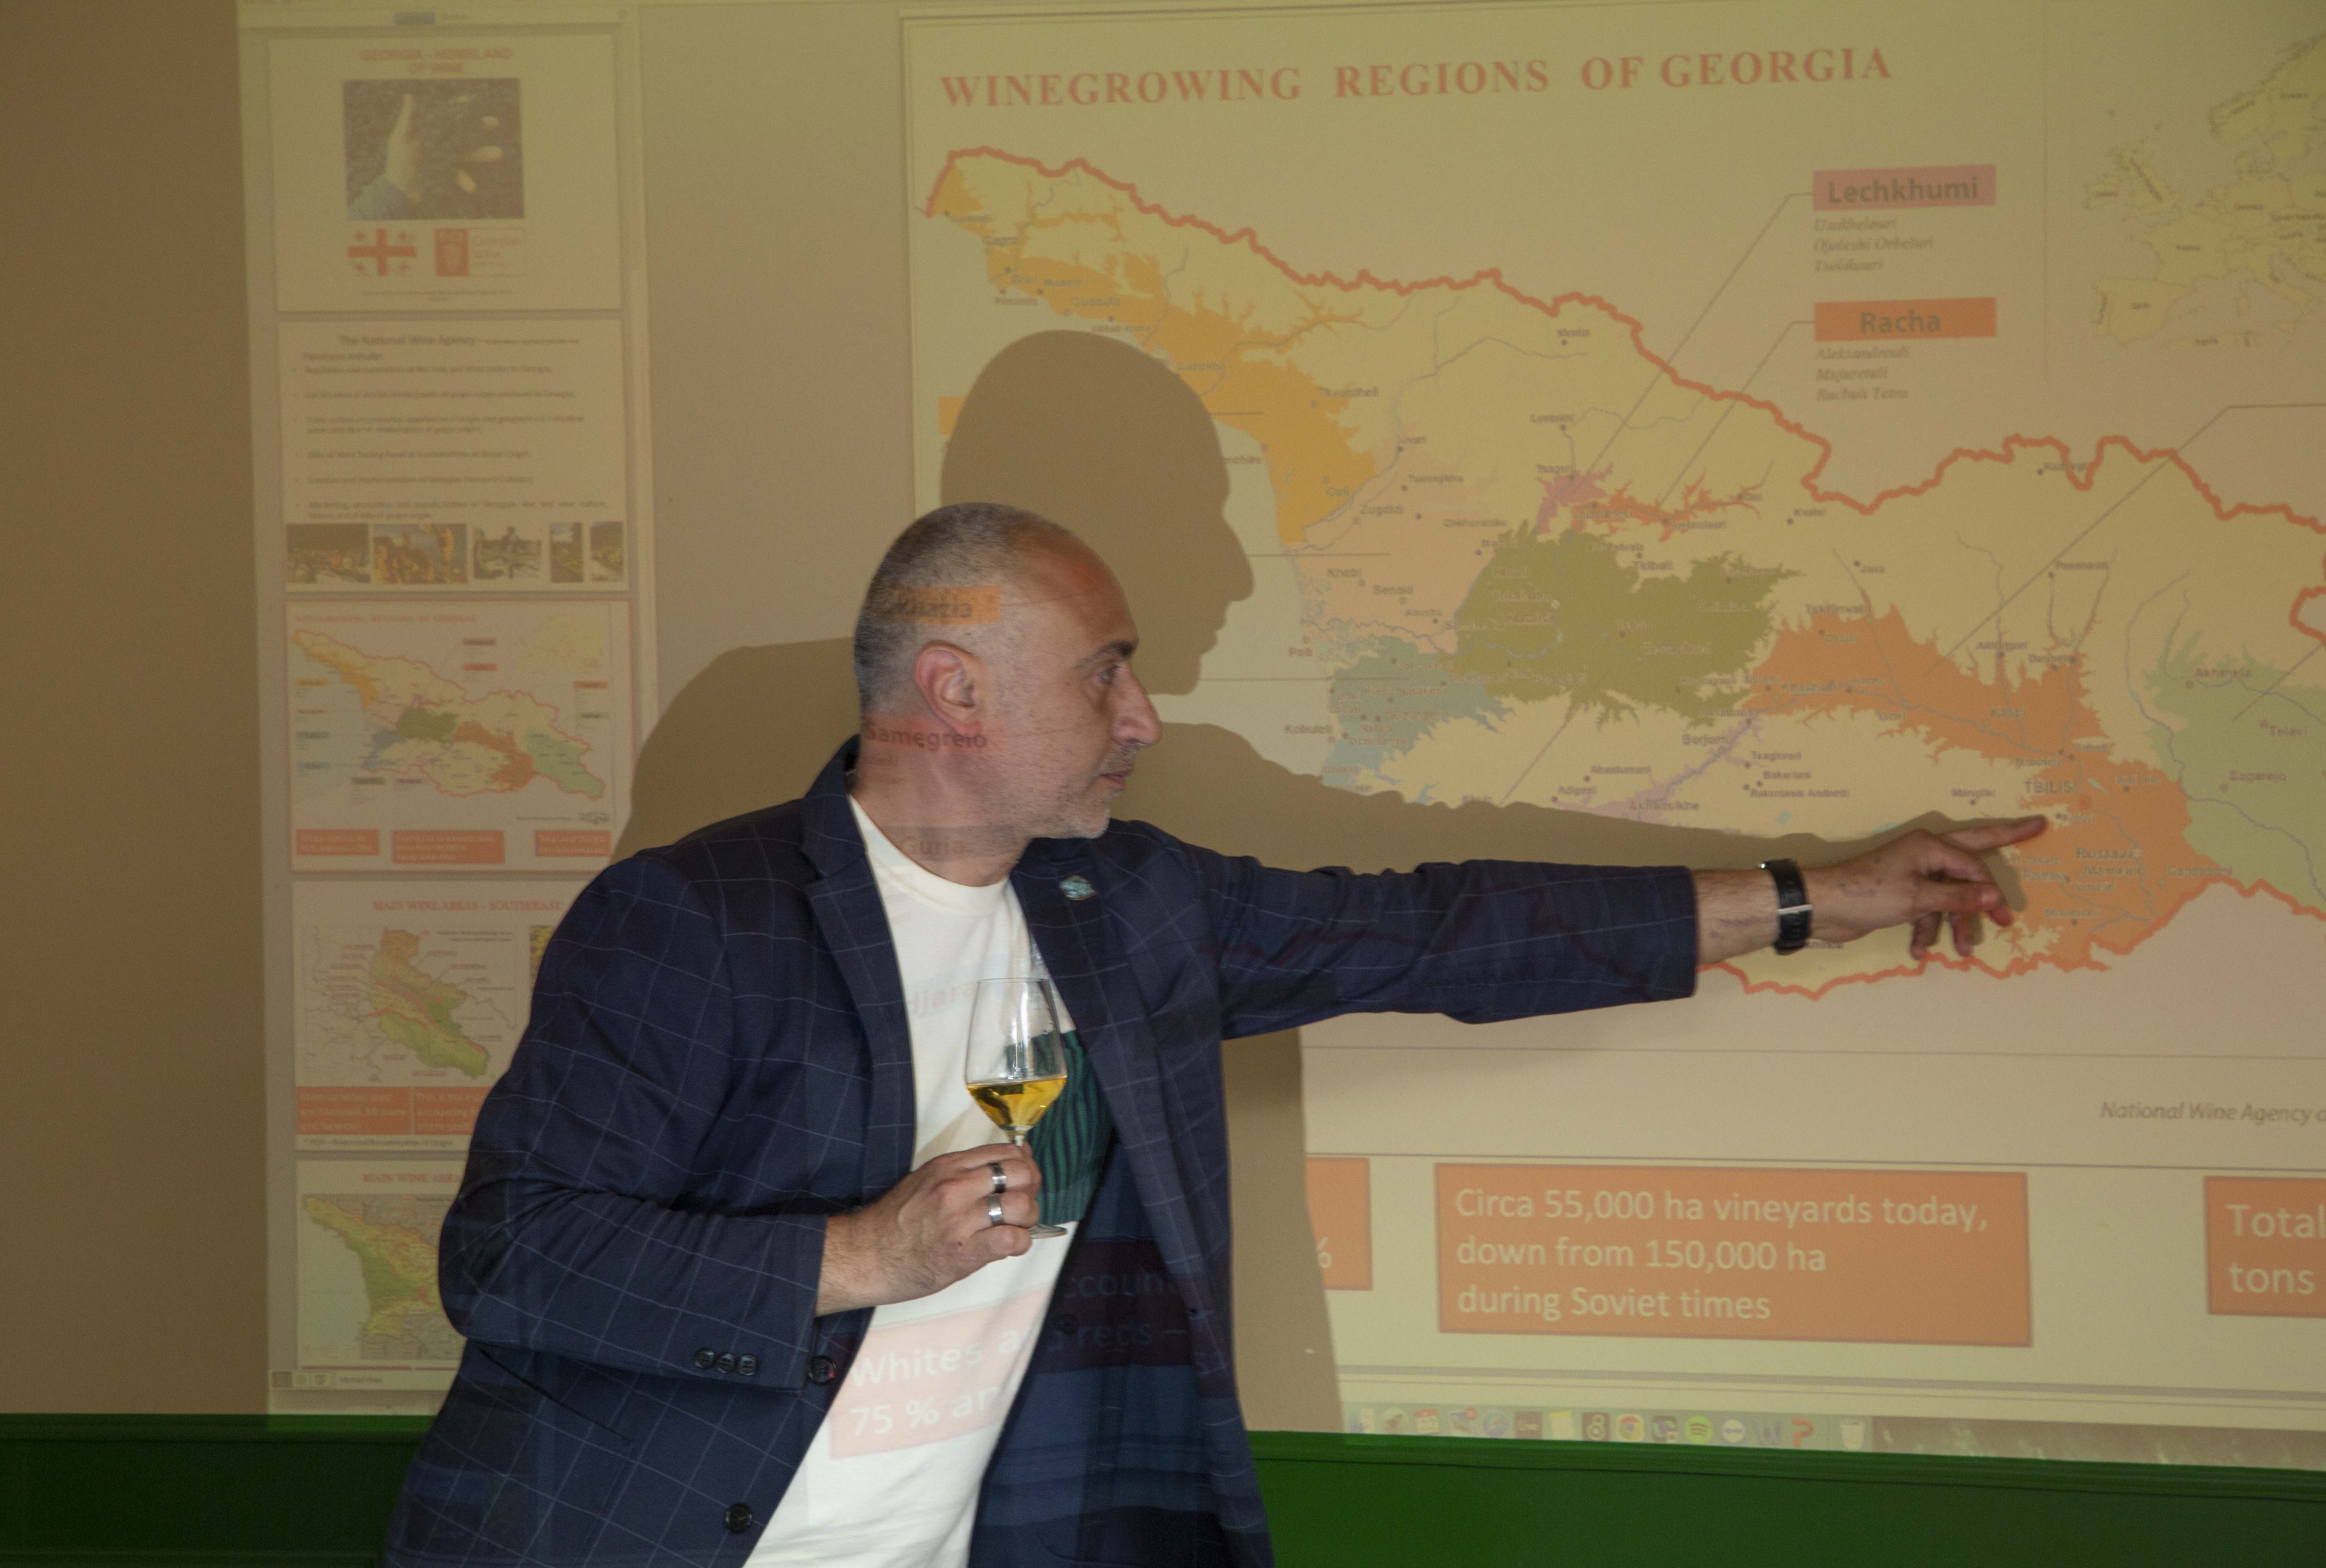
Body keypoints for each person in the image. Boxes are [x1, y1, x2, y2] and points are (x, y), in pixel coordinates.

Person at [385, 499, 2041, 1566]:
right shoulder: (693, 917)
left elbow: (1444, 928)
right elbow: (513, 1258)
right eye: (1106, 676)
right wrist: (861, 1255)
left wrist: (1818, 897)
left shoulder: (1132, 908)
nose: (1146, 718)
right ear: (956, 693)